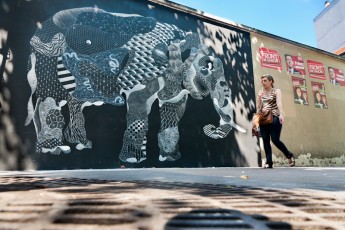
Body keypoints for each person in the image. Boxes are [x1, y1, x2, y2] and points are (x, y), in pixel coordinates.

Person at [257, 74, 295, 168]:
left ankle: (289, 155)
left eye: (265, 80)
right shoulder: (261, 92)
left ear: (271, 81)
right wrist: (259, 98)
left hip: (274, 118)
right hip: (263, 118)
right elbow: (258, 107)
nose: (263, 83)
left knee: (275, 139)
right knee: (265, 140)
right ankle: (269, 162)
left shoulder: (276, 91)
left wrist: (281, 114)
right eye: (262, 81)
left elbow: (279, 102)